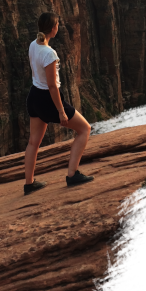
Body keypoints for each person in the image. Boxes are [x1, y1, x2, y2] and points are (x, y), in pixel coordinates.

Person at [24, 12, 94, 195]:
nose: (58, 27)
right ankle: (72, 175)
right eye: (57, 25)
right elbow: (52, 86)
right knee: (85, 129)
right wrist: (61, 111)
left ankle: (29, 183)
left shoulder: (33, 44)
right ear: (53, 28)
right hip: (47, 100)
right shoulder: (49, 53)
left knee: (33, 142)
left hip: (34, 97)